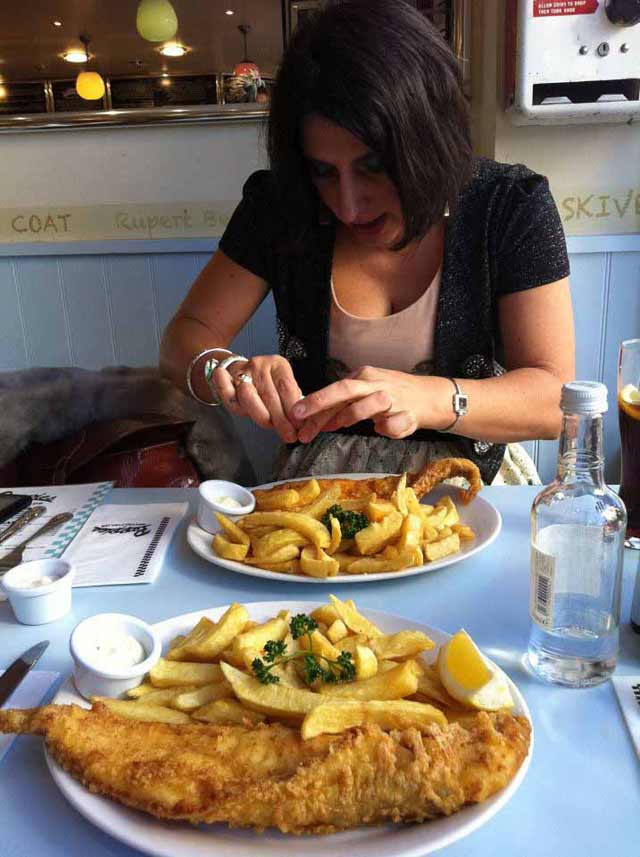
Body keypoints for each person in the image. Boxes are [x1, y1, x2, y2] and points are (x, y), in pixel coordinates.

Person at [160, 0, 575, 487]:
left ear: (430, 140)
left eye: (374, 165)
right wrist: (224, 371)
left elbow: (554, 401)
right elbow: (181, 340)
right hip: (316, 491)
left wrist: (430, 398)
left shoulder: (510, 206)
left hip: (471, 490)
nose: (349, 206)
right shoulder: (278, 205)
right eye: (323, 171)